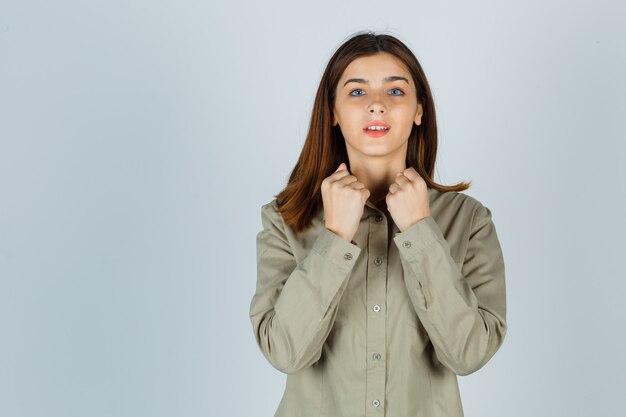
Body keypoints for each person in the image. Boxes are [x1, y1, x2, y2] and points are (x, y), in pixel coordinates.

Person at [249, 30, 507, 417]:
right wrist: (334, 237)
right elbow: (284, 352)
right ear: (333, 112)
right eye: (356, 92)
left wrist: (421, 231)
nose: (376, 106)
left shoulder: (468, 220)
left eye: (395, 91)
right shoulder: (286, 220)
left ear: (420, 110)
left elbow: (468, 355)